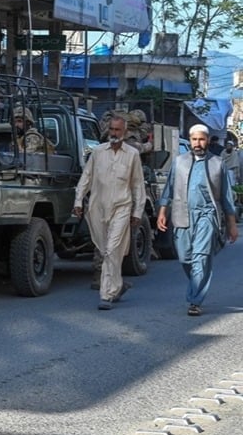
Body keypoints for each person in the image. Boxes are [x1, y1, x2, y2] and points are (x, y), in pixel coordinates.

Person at [157, 124, 237, 316]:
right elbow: (169, 189)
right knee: (186, 257)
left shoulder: (217, 163)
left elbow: (226, 197)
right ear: (190, 140)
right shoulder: (179, 162)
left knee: (201, 257)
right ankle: (196, 283)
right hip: (182, 215)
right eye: (194, 139)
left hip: (207, 216)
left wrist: (232, 224)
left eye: (201, 139)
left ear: (207, 140)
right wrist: (162, 212)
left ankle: (195, 300)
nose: (198, 143)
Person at [73, 114, 145, 310]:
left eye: (117, 130)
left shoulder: (132, 154)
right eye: (111, 129)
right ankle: (118, 285)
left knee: (112, 249)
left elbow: (138, 185)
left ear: (125, 132)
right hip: (98, 208)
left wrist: (137, 212)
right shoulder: (98, 152)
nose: (114, 133)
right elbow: (86, 177)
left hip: (122, 207)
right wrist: (78, 200)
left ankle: (106, 294)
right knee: (106, 250)